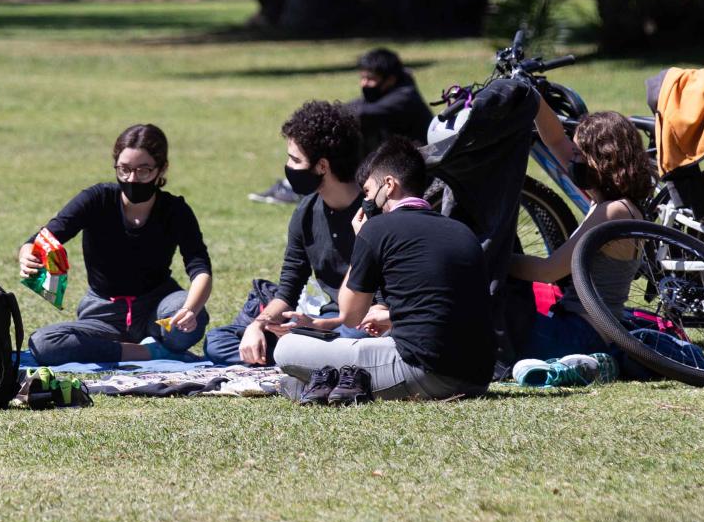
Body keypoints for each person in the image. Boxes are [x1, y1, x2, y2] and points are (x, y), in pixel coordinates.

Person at [272, 139, 495, 402]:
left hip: (424, 374)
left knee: (286, 348)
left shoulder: (378, 229)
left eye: (367, 192)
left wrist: (361, 241)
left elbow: (351, 315)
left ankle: (309, 386)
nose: (366, 201)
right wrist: (392, 317)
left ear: (388, 185)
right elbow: (447, 308)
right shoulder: (461, 231)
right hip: (479, 376)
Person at [18, 123, 213, 364]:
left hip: (158, 307)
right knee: (44, 344)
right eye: (124, 169)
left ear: (162, 169)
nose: (132, 178)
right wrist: (27, 254)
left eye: (143, 170)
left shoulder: (175, 210)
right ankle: (150, 352)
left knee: (192, 320)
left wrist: (190, 310)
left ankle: (137, 345)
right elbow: (44, 237)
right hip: (102, 312)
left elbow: (200, 267)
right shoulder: (96, 199)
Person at [210, 100, 379, 365]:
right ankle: (304, 356)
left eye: (295, 159)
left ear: (322, 166)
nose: (289, 168)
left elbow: (379, 301)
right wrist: (259, 324)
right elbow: (288, 290)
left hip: (364, 324)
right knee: (218, 342)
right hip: (322, 325)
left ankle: (304, 357)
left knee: (350, 336)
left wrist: (320, 326)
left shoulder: (374, 212)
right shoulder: (306, 212)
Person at [504, 111, 652, 361]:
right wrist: (533, 99)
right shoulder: (606, 201)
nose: (572, 160)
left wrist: (490, 259)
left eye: (577, 155)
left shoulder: (614, 212)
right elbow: (554, 140)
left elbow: (547, 272)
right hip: (580, 329)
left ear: (600, 159)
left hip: (581, 336)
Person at [249, 48, 433, 206]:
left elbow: (362, 113)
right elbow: (357, 106)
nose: (364, 84)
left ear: (390, 79)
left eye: (370, 79)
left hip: (414, 172)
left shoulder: (405, 99)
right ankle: (295, 186)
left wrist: (326, 119)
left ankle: (296, 187)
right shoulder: (385, 94)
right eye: (362, 78)